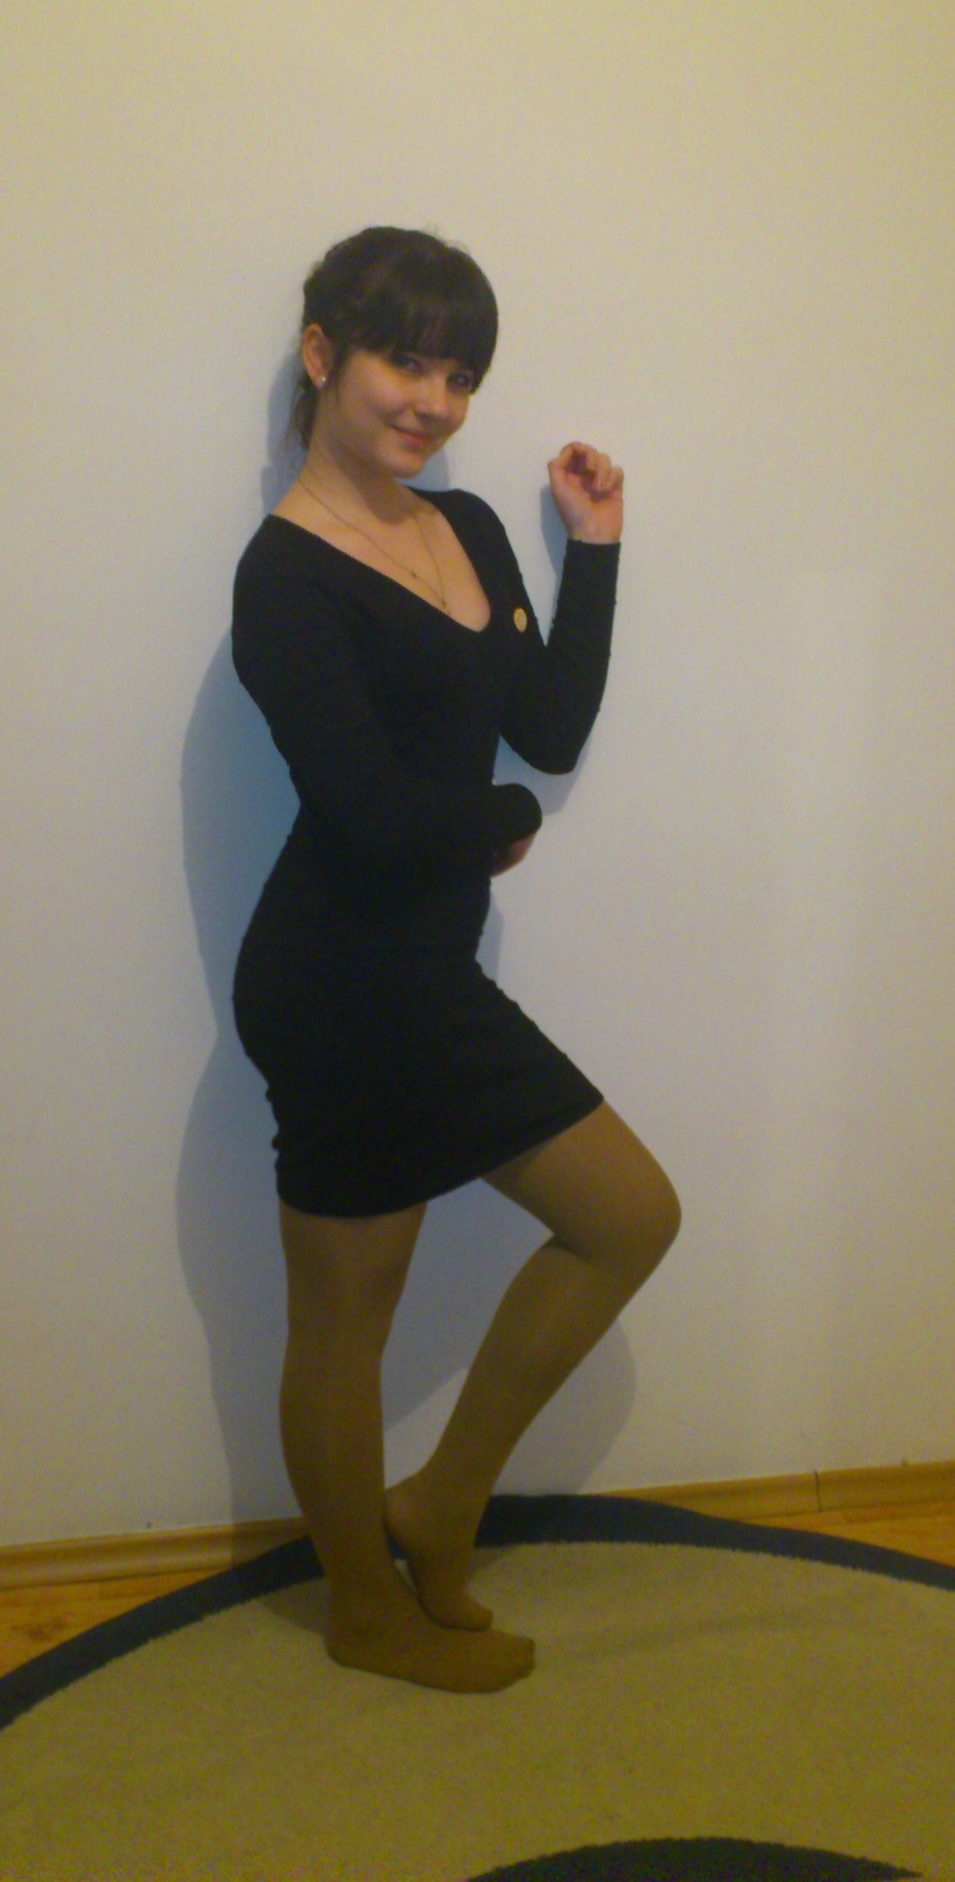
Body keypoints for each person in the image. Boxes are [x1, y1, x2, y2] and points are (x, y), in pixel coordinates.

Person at [231, 227, 679, 1694]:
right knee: (345, 1319)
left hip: (424, 977)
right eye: (405, 363)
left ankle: (437, 1507)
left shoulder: (472, 526)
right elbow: (367, 814)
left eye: (461, 376)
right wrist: (495, 824)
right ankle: (364, 1608)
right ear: (323, 356)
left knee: (628, 1217)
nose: (433, 401)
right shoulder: (284, 579)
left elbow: (544, 727)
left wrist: (594, 550)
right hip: (337, 982)